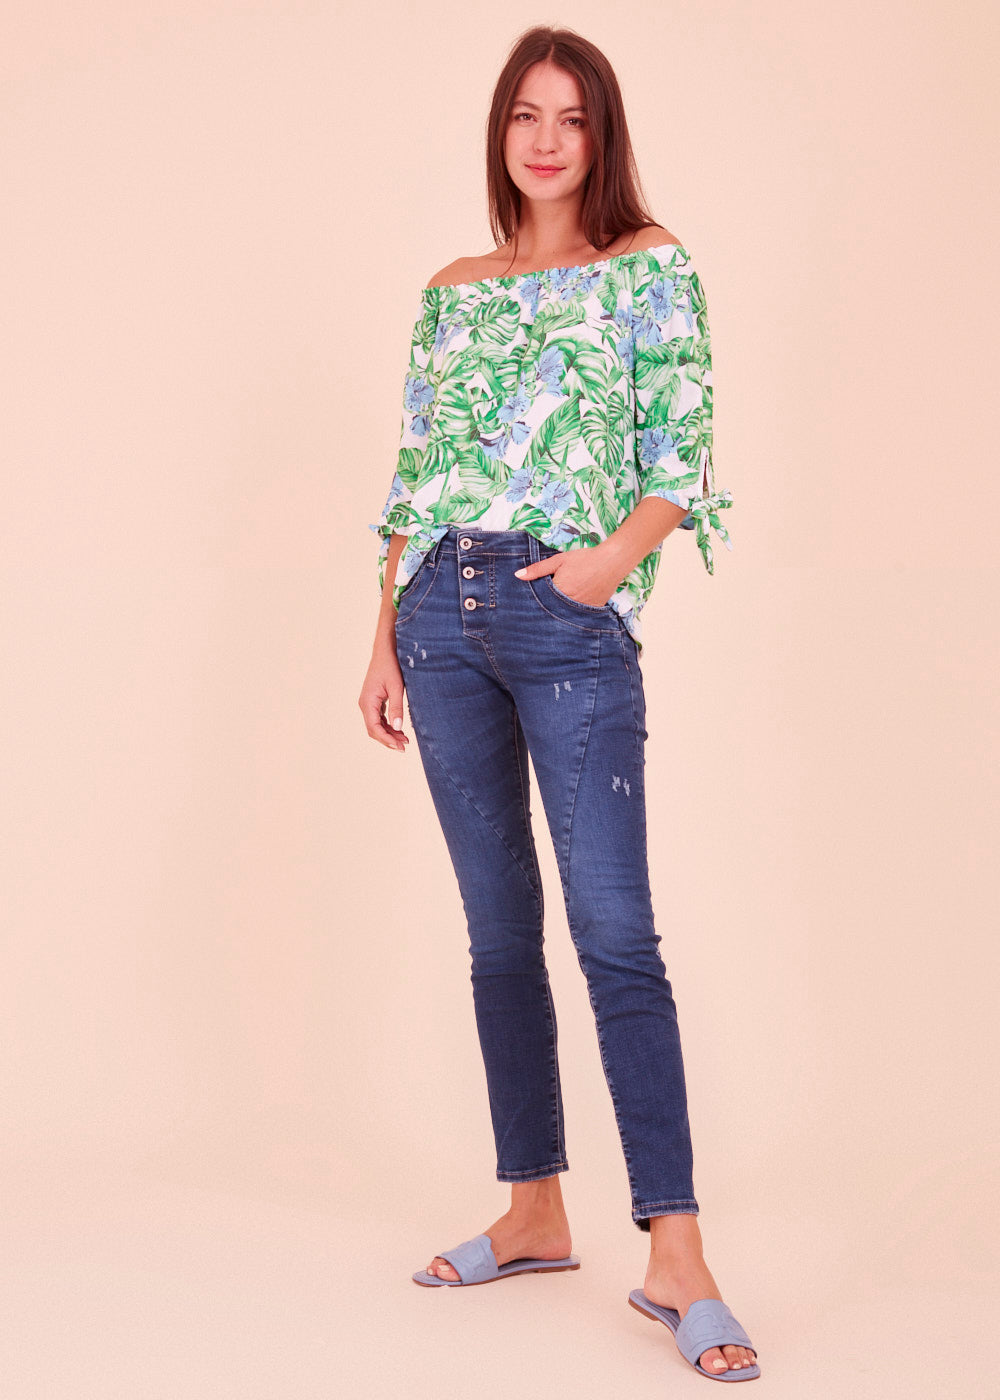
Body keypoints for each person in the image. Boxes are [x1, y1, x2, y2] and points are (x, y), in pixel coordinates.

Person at [358, 25, 758, 1383]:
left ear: (601, 137)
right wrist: (383, 633)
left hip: (564, 615)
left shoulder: (648, 265)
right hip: (440, 614)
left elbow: (680, 454)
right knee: (496, 935)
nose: (544, 140)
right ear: (501, 131)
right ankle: (533, 1209)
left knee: (615, 933)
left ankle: (677, 1253)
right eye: (524, 115)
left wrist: (601, 569)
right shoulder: (452, 290)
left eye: (570, 119)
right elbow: (415, 471)